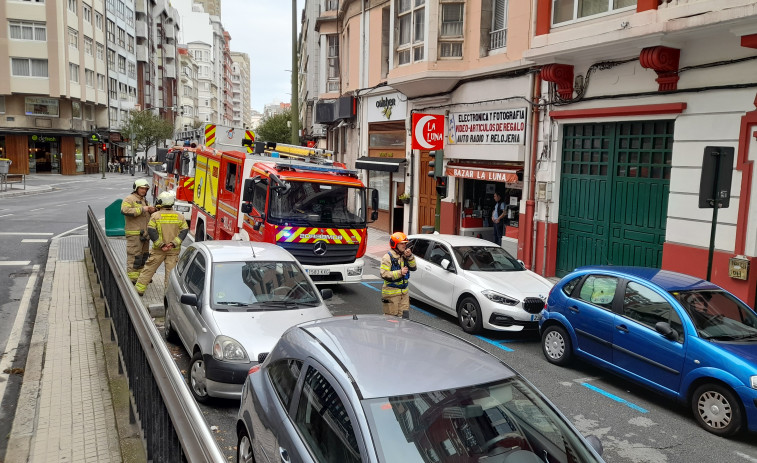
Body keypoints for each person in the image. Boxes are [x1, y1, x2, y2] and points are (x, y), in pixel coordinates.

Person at [135, 192, 189, 296]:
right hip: (173, 251)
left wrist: (161, 245)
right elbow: (184, 231)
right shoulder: (179, 216)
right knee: (170, 274)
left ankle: (139, 291)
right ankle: (167, 295)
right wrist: (173, 244)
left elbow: (151, 231)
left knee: (148, 269)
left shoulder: (155, 216)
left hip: (158, 250)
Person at [121, 179, 157, 283]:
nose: (144, 191)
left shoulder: (144, 200)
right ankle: (132, 278)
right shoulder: (129, 199)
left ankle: (141, 277)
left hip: (144, 234)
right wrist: (143, 209)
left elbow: (146, 216)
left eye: (145, 189)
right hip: (134, 234)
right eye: (142, 188)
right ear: (136, 188)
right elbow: (124, 211)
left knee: (144, 256)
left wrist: (151, 211)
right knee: (134, 256)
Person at [380, 232, 416, 318]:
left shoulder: (404, 255)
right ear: (395, 244)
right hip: (391, 294)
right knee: (391, 321)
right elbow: (384, 274)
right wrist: (400, 272)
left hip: (404, 294)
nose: (404, 245)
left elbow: (413, 267)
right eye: (402, 243)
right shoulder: (387, 257)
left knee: (405, 319)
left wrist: (410, 256)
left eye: (405, 243)